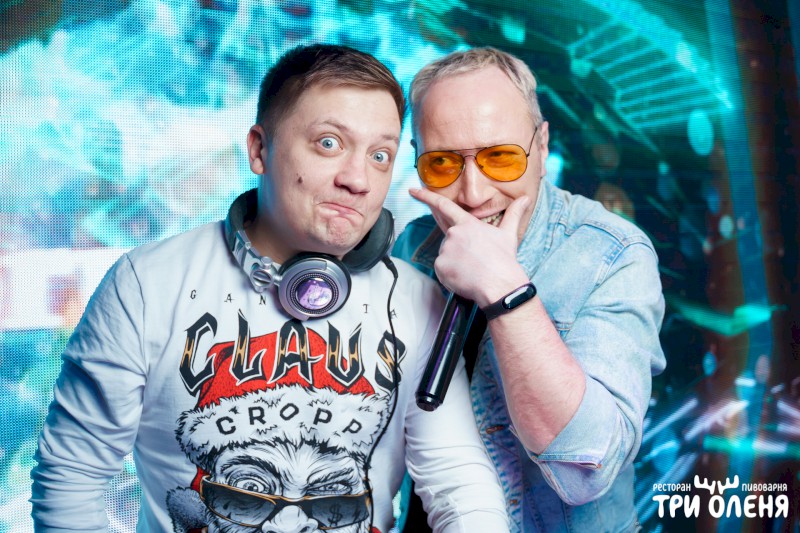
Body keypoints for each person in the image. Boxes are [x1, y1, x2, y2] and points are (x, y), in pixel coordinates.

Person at [31, 44, 508, 533]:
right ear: (260, 149)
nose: (358, 180)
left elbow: (460, 483)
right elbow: (71, 481)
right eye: (329, 143)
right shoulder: (147, 284)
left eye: (380, 155)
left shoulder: (417, 300)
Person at [393, 47, 666, 532]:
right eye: (442, 163)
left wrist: (504, 288)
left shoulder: (613, 254)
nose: (474, 195)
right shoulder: (411, 246)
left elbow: (586, 470)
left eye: (500, 158)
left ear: (541, 147)